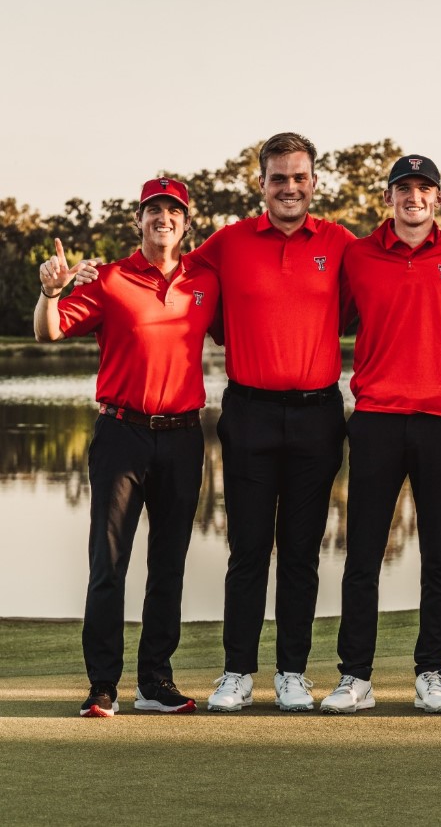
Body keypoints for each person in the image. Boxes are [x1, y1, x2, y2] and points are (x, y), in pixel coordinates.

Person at [35, 178, 219, 717]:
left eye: (173, 211)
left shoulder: (206, 280)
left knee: (169, 564)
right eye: (153, 210)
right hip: (122, 433)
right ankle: (103, 686)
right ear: (138, 220)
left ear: (187, 224)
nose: (164, 218)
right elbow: (49, 332)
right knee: (108, 562)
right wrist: (51, 291)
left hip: (184, 435)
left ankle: (156, 683)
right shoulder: (110, 278)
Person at [318, 155, 441, 714]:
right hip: (376, 417)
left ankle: (432, 673)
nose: (414, 197)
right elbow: (328, 317)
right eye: (403, 189)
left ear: (439, 197)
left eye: (424, 188)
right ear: (387, 198)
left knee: (440, 554)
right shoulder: (357, 255)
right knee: (363, 553)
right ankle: (355, 677)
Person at [196, 133, 356, 713]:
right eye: (278, 178)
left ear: (314, 181)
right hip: (250, 413)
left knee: (301, 552)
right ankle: (237, 670)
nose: (289, 187)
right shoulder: (227, 243)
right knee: (247, 548)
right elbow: (172, 284)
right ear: (260, 183)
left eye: (299, 176)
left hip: (317, 414)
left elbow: (395, 281)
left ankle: (292, 672)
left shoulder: (340, 244)